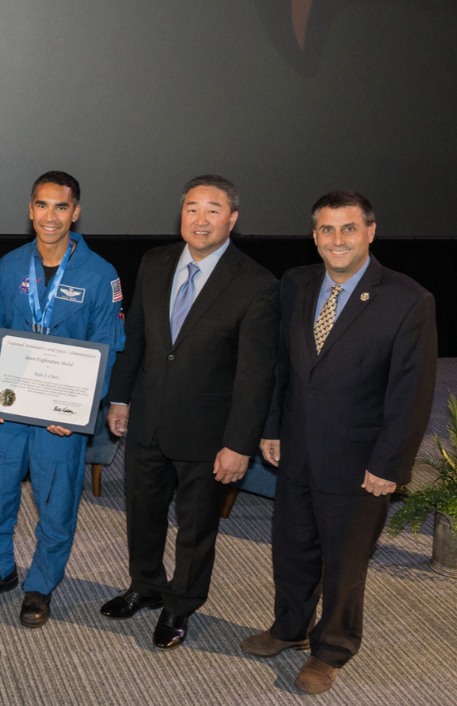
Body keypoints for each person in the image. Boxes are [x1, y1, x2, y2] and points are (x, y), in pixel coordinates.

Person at [244, 191, 437, 694]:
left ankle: (332, 650)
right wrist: (270, 427)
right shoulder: (298, 283)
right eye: (326, 230)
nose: (337, 240)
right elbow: (283, 367)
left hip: (360, 461)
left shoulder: (407, 299)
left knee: (345, 565)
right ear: (314, 236)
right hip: (296, 450)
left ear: (370, 232)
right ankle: (289, 629)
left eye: (348, 228)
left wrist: (390, 463)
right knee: (291, 549)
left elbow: (411, 391)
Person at [100, 175, 279, 650]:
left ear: (232, 219)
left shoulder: (258, 285)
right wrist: (120, 398)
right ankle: (145, 585)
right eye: (193, 209)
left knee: (196, 529)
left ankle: (181, 606)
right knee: (142, 513)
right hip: (148, 421)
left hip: (208, 433)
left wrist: (239, 444)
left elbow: (255, 375)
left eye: (213, 210)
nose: (201, 219)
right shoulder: (155, 262)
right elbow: (135, 337)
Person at [0, 171, 124, 627]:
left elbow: (108, 345)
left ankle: (41, 584)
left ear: (75, 212)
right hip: (9, 407)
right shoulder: (10, 268)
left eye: (61, 207)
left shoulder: (100, 275)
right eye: (41, 205)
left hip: (60, 414)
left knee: (56, 502)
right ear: (30, 209)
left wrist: (78, 410)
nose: (49, 216)